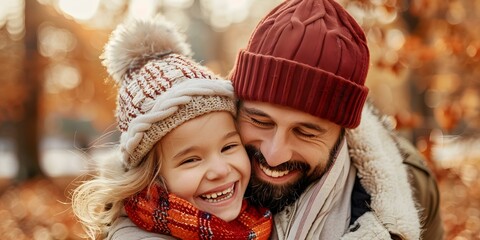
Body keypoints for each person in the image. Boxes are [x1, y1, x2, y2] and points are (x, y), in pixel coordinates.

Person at [107, 0, 444, 239]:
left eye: (306, 131)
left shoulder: (411, 193)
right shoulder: (162, 190)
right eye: (261, 121)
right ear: (237, 104)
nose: (273, 154)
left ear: (343, 132)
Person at [71, 18, 272, 240]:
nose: (221, 170)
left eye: (228, 146)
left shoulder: (254, 220)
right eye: (191, 160)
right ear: (151, 179)